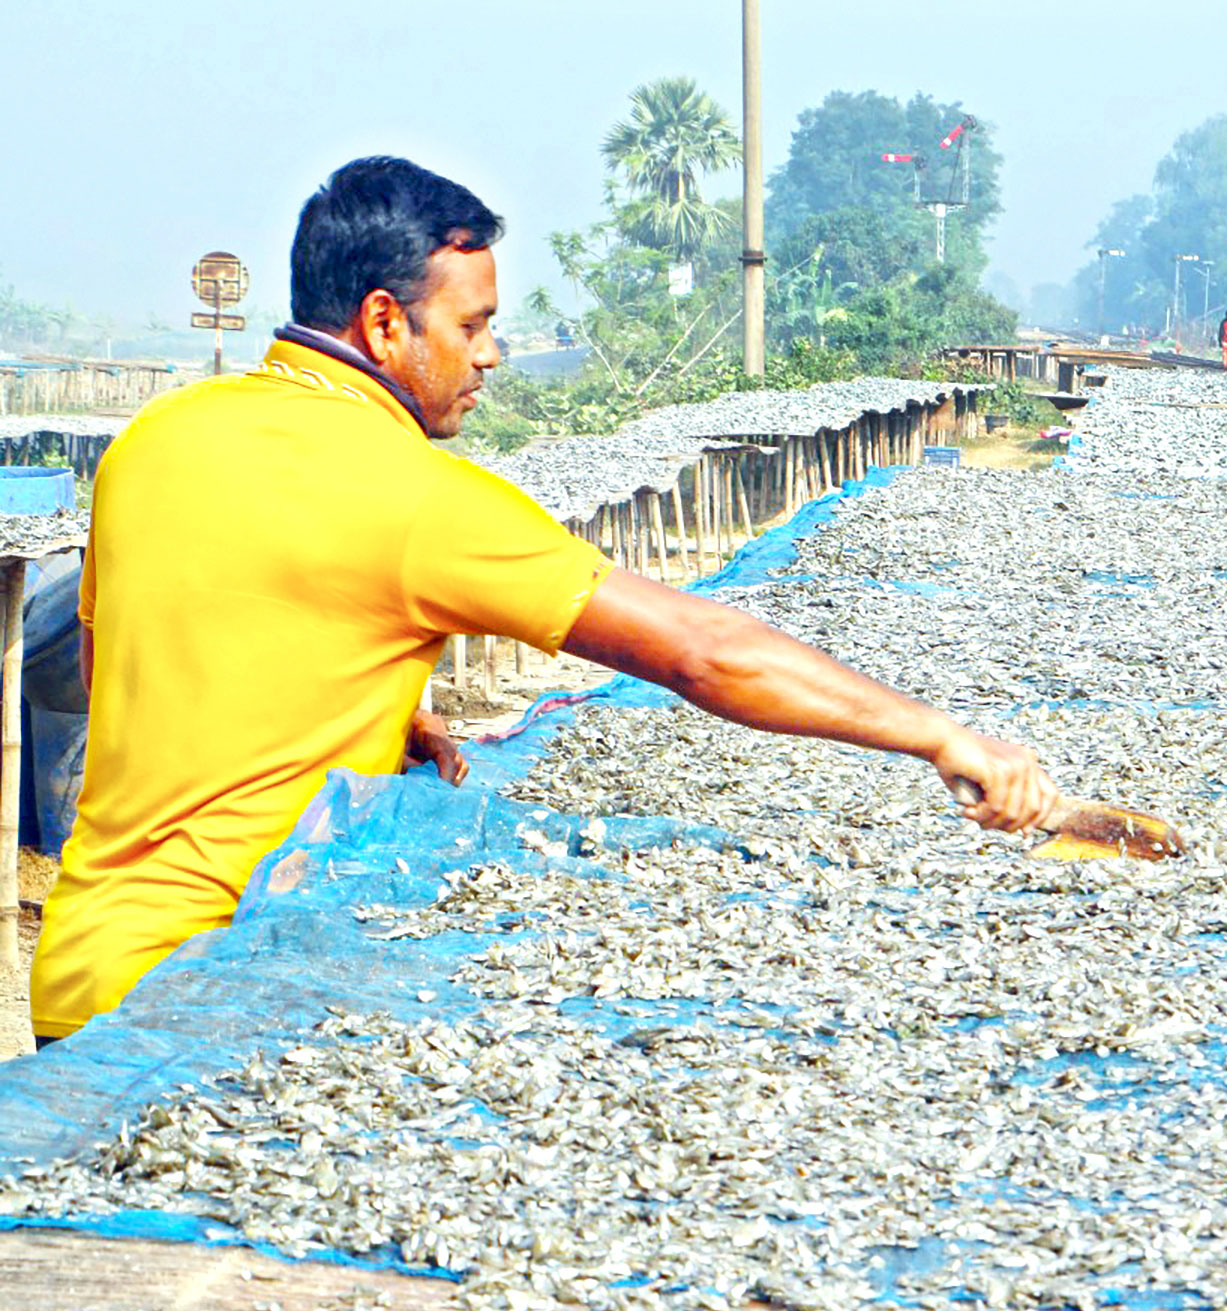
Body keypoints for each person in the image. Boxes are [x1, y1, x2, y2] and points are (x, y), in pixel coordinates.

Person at [28, 157, 1059, 1044]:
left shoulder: (152, 442)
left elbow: (107, 669)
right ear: (386, 323)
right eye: (472, 326)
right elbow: (704, 651)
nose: (489, 354)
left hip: (81, 973)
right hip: (220, 987)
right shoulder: (418, 499)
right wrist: (938, 735)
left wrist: (357, 706)